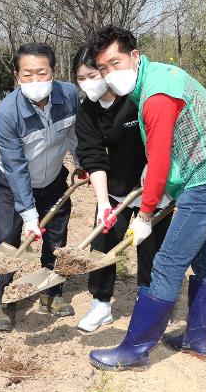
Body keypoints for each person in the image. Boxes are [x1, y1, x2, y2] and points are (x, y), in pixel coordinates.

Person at [87, 26, 206, 371]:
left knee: (166, 264)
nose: (110, 74)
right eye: (103, 69)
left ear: (135, 57)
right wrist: (156, 182)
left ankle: (134, 350)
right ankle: (197, 338)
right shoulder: (159, 76)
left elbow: (158, 159)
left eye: (116, 63)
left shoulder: (155, 95)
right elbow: (170, 145)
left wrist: (144, 216)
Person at [72, 44, 173, 333]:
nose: (88, 83)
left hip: (152, 188)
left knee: (151, 249)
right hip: (115, 190)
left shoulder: (136, 98)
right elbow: (93, 156)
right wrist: (104, 204)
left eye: (93, 74)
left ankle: (149, 302)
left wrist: (152, 169)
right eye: (81, 78)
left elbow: (159, 139)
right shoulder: (87, 111)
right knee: (102, 245)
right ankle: (101, 304)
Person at [0, 42, 79, 332]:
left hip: (53, 179)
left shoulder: (68, 95)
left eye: (42, 73)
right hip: (12, 183)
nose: (36, 81)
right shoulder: (8, 113)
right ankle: (3, 303)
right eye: (27, 74)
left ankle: (50, 292)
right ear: (16, 75)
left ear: (53, 72)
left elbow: (76, 134)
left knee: (56, 236)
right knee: (8, 239)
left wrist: (81, 163)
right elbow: (15, 167)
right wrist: (29, 215)